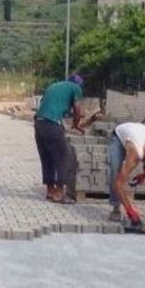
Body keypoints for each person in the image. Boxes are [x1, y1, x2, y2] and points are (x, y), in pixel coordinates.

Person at [34, 74, 85, 202]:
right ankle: (59, 193)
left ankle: (50, 190)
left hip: (39, 123)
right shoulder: (76, 88)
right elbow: (77, 109)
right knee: (63, 156)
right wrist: (76, 124)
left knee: (47, 157)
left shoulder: (54, 86)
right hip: (51, 123)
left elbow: (47, 105)